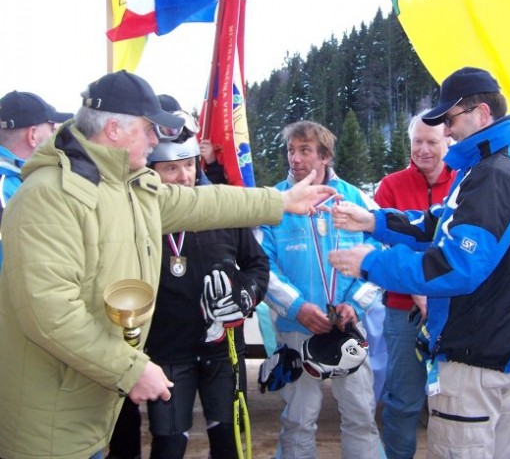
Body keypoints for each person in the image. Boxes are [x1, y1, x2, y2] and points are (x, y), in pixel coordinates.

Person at [0, 71, 334, 459]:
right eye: (149, 130)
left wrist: (278, 202)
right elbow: (50, 313)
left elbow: (200, 203)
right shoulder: (49, 197)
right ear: (113, 130)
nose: (157, 141)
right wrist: (130, 369)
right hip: (50, 421)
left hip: (85, 405)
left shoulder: (124, 186)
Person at [327, 66, 510, 459]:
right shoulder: (497, 162)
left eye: (450, 120)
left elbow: (457, 264)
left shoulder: (495, 173)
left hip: (477, 350)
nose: (446, 131)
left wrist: (371, 263)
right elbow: (441, 221)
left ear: (481, 114)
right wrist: (376, 221)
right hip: (501, 344)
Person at [107, 94, 270, 459]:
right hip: (166, 353)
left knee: (228, 444)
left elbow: (258, 266)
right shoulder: (133, 216)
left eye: (190, 165)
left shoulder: (222, 208)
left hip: (223, 351)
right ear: (150, 171)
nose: (184, 177)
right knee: (168, 445)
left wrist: (244, 296)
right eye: (171, 169)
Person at [257, 120, 385, 459]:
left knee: (360, 416)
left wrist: (356, 304)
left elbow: (381, 256)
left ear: (325, 156)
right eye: (290, 150)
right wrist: (297, 307)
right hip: (298, 328)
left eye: (305, 151)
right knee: (298, 421)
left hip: (348, 327)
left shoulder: (356, 199)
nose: (294, 159)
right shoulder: (275, 204)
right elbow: (262, 266)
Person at [373, 111, 455, 458]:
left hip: (455, 311)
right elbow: (383, 247)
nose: (423, 149)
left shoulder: (464, 182)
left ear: (448, 142)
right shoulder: (390, 186)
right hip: (403, 310)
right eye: (416, 141)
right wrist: (416, 289)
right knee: (404, 400)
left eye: (431, 142)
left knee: (453, 403)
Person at [0, 90, 73, 268]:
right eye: (52, 128)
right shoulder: (5, 188)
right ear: (32, 135)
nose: (56, 134)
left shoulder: (20, 178)